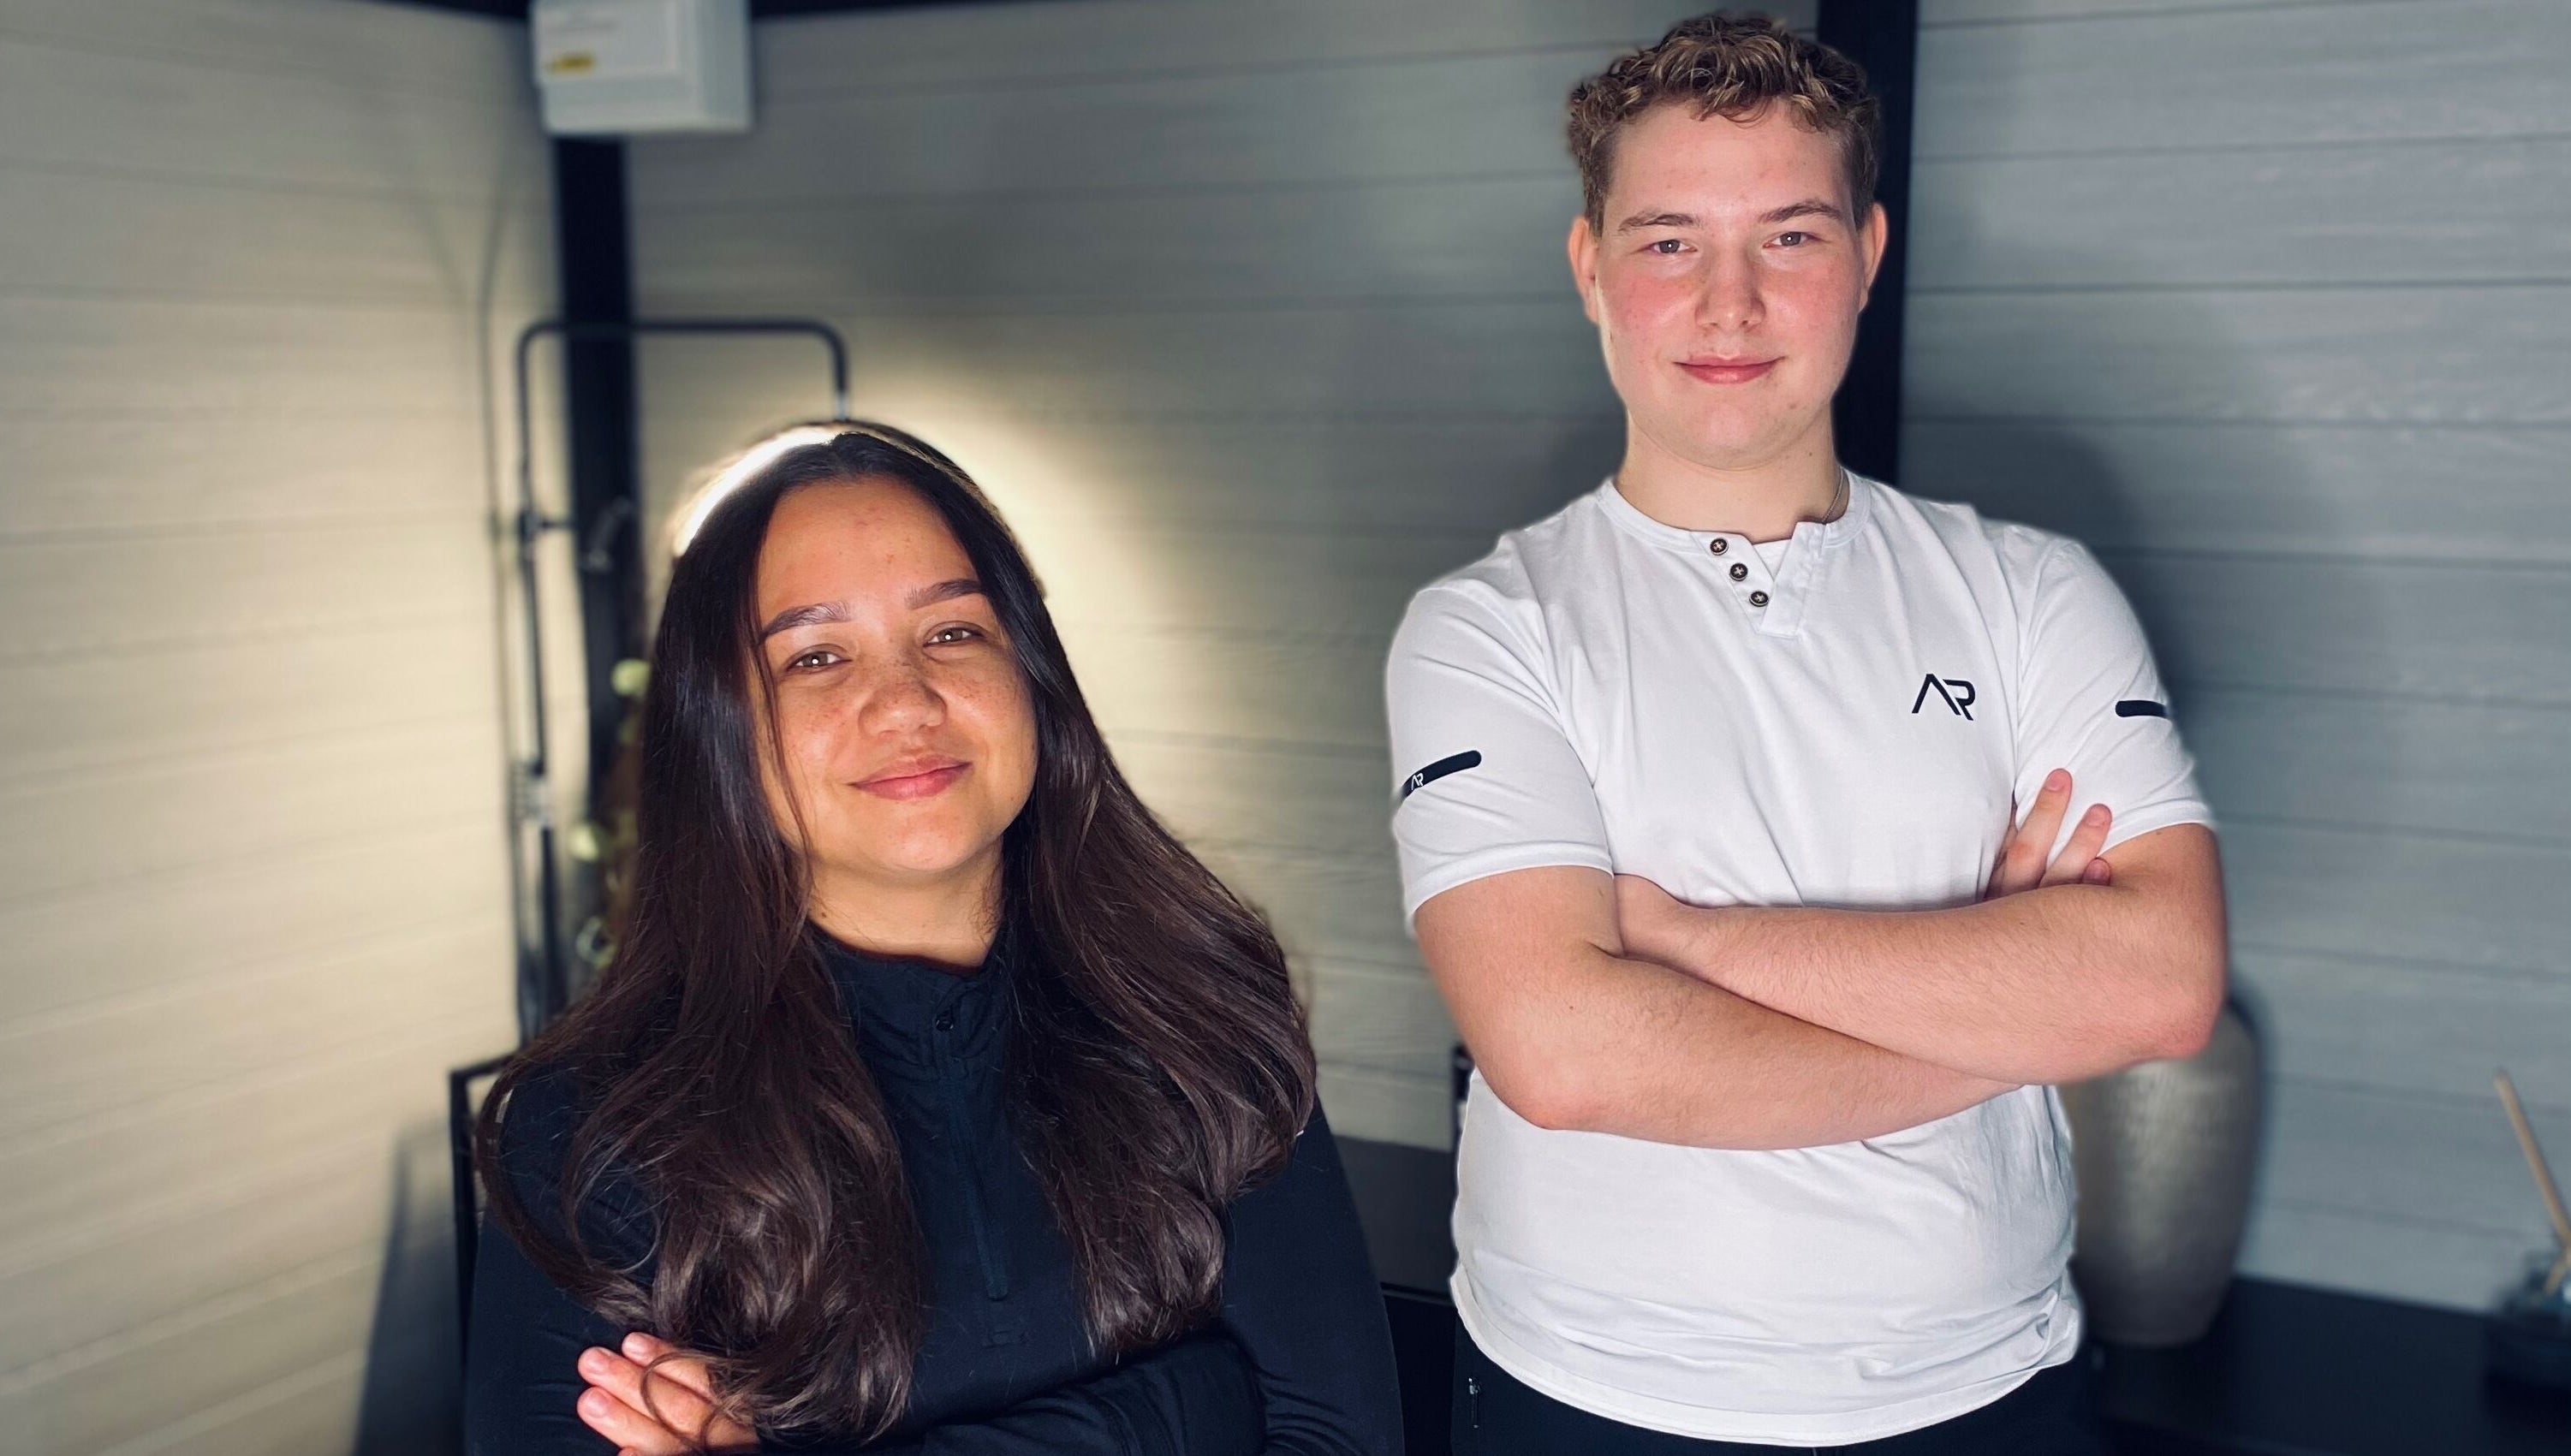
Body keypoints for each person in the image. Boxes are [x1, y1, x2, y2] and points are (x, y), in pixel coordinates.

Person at [1384, 15, 2228, 1453]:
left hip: (1989, 1390)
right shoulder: (1485, 627)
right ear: (1589, 269)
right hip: (1592, 1396)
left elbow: (2154, 985)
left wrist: (1694, 945)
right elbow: (1565, 1055)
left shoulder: (2031, 593)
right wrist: (2007, 1014)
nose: (1728, 305)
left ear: (1866, 256)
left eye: (1787, 237)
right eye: (1664, 242)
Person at [466, 424, 1402, 1454]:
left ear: (1031, 674)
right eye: (816, 656)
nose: (906, 703)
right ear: (717, 728)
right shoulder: (587, 1130)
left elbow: (1340, 1440)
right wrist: (1192, 1406)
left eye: (953, 634)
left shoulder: (1203, 1017)